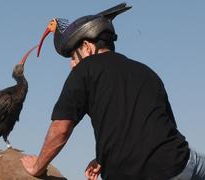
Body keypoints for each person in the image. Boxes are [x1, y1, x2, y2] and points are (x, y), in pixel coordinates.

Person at [21, 3, 205, 180]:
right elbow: (160, 128)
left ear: (87, 47)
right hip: (176, 164)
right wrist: (102, 158)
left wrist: (38, 166)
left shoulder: (84, 70)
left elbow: (61, 128)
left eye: (73, 55)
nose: (72, 64)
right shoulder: (147, 72)